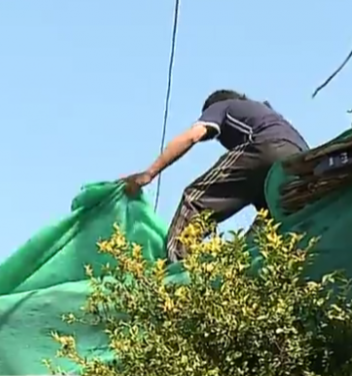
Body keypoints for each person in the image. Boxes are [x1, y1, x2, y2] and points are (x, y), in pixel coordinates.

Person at [123, 89, 310, 262]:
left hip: (266, 147)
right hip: (299, 166)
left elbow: (192, 136)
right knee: (266, 230)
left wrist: (149, 173)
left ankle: (177, 272)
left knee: (195, 201)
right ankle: (245, 278)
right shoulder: (269, 115)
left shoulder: (223, 106)